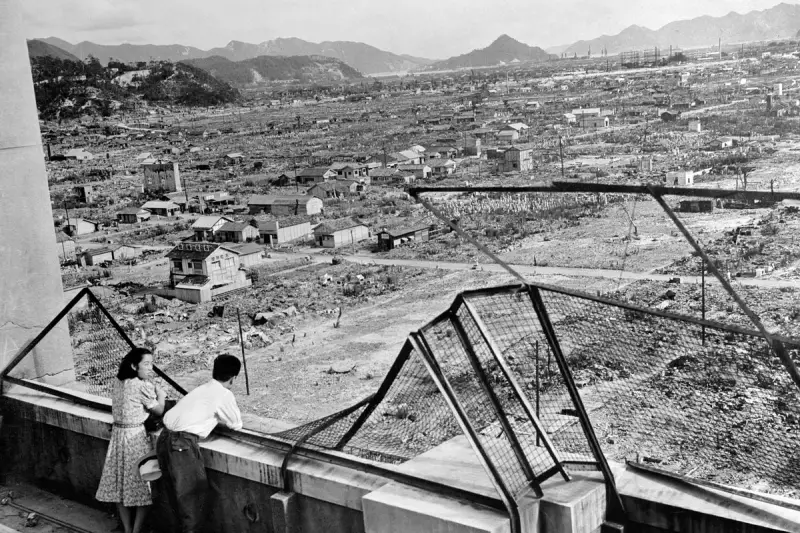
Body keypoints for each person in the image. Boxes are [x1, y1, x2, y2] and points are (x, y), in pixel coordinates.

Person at [156, 354, 243, 533]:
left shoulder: (202, 388)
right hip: (182, 444)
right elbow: (236, 424)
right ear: (233, 378)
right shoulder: (224, 394)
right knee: (191, 497)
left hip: (164, 437)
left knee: (170, 495)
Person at [96, 347, 166, 533]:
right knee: (143, 486)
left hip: (118, 436)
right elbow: (159, 410)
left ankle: (127, 529)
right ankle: (136, 530)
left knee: (120, 486)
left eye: (151, 364)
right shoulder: (142, 386)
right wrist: (161, 396)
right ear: (135, 366)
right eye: (147, 364)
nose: (150, 368)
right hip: (135, 438)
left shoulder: (118, 381)